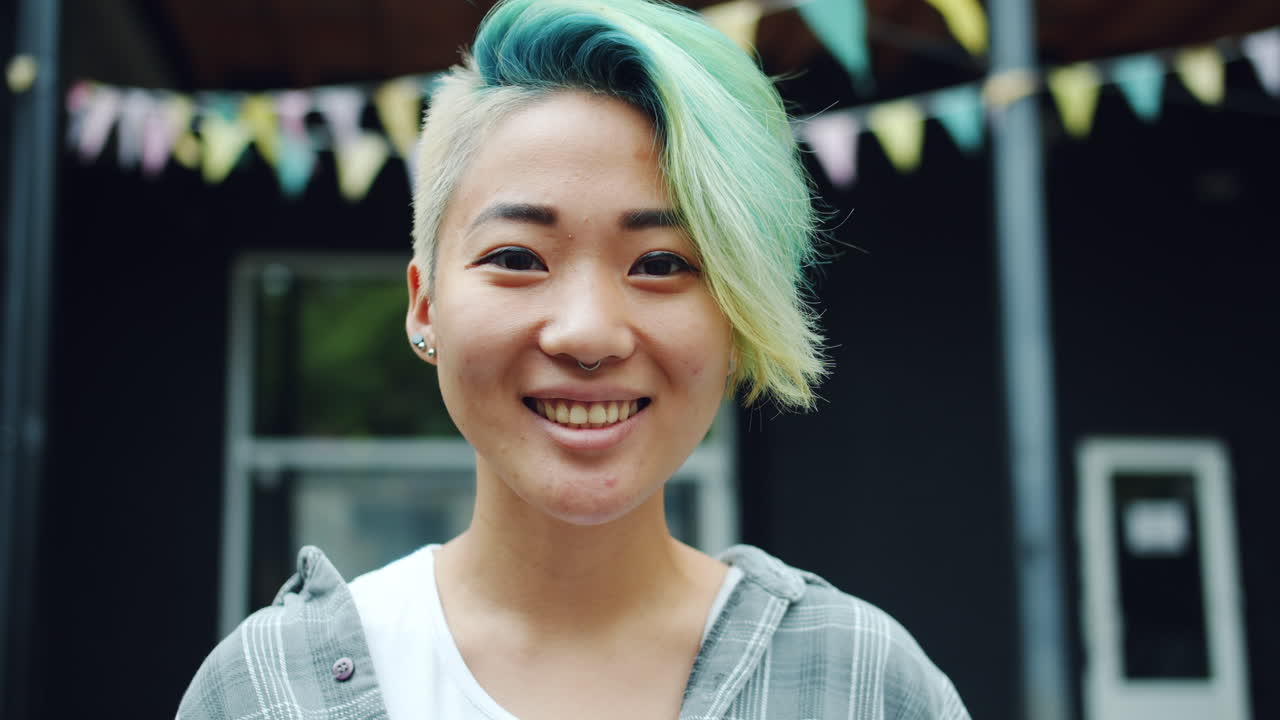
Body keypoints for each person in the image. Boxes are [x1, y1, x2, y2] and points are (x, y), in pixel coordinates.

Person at [178, 1, 970, 718]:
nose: (588, 334)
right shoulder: (267, 691)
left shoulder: (862, 684)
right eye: (518, 256)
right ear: (425, 306)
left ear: (736, 316)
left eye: (662, 263)